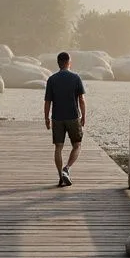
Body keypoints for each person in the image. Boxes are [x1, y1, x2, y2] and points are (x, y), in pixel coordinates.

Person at [44, 51, 86, 187]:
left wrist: (46, 118)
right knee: (77, 144)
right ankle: (66, 168)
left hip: (57, 118)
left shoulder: (52, 79)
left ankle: (60, 176)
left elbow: (47, 101)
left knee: (58, 147)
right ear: (69, 62)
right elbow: (81, 99)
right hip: (73, 117)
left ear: (58, 63)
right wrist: (84, 116)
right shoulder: (75, 78)